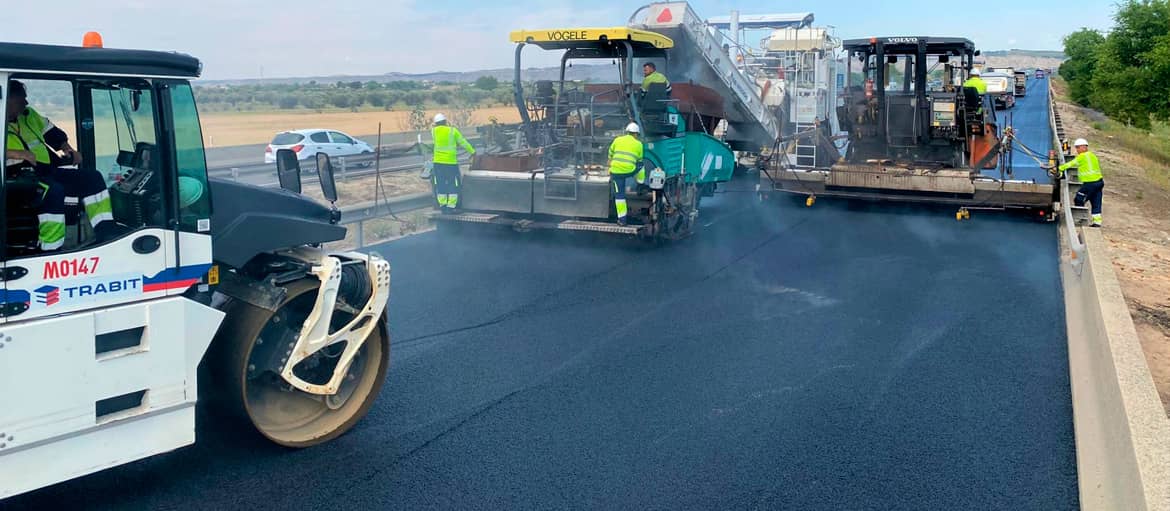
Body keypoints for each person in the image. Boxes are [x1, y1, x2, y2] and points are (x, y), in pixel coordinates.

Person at [7, 80, 117, 244]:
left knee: (92, 177)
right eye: (21, 99)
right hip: (16, 178)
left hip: (45, 172)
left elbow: (52, 133)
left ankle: (106, 234)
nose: (26, 102)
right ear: (7, 99)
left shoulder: (28, 116)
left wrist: (68, 149)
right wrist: (15, 153)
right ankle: (50, 248)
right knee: (53, 191)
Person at [430, 112, 475, 212]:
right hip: (450, 163)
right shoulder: (452, 130)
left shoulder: (433, 131)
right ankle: (451, 206)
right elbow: (463, 142)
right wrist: (472, 151)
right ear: (445, 121)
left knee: (440, 184)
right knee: (452, 184)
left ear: (435, 123)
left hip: (438, 163)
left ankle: (443, 206)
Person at [1058, 138, 1104, 227]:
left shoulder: (1082, 156)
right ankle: (1097, 222)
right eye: (1076, 147)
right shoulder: (1092, 155)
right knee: (1096, 201)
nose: (1077, 150)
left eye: (1078, 147)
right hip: (1099, 182)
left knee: (1079, 198)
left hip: (1090, 183)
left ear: (1084, 147)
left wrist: (1060, 168)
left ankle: (1080, 218)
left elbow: (1071, 164)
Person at [607, 123, 644, 226]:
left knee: (619, 196)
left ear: (627, 131)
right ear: (636, 134)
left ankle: (622, 220)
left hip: (616, 173)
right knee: (641, 165)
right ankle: (640, 184)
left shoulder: (617, 140)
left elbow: (610, 153)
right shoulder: (639, 144)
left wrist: (610, 161)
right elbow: (639, 160)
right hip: (629, 171)